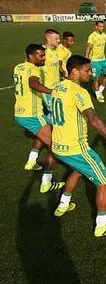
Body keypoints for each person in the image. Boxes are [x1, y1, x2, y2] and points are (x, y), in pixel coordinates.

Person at [51, 55, 106, 238]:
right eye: (88, 70)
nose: (91, 73)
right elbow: (93, 119)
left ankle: (63, 204)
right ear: (75, 71)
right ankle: (102, 225)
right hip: (75, 148)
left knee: (77, 171)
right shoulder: (80, 92)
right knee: (104, 182)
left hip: (58, 146)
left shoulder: (57, 87)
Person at [13, 44, 64, 192]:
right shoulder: (34, 69)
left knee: (46, 131)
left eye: (44, 55)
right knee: (56, 145)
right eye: (40, 55)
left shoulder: (18, 67)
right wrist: (52, 91)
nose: (44, 58)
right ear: (31, 56)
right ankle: (46, 182)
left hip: (20, 112)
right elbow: (33, 83)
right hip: (33, 114)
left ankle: (31, 161)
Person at [42, 29, 64, 112]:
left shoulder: (55, 52)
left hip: (56, 89)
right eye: (56, 39)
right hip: (46, 89)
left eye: (59, 39)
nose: (59, 41)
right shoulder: (42, 52)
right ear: (48, 39)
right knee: (55, 114)